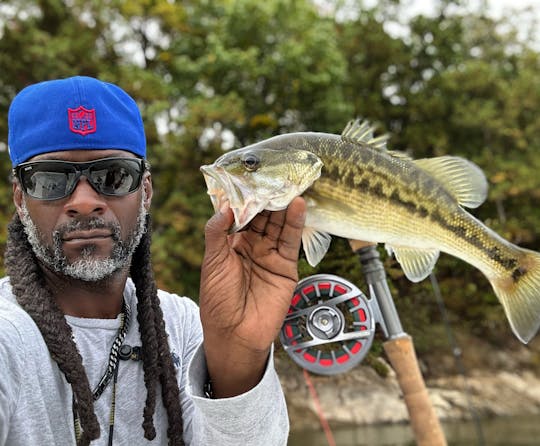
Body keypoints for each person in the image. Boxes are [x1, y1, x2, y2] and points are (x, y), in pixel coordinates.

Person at [0, 76, 307, 445]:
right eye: (51, 180)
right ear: (20, 198)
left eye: (112, 176)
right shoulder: (7, 337)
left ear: (144, 192)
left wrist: (239, 354)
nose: (84, 201)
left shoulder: (185, 327)